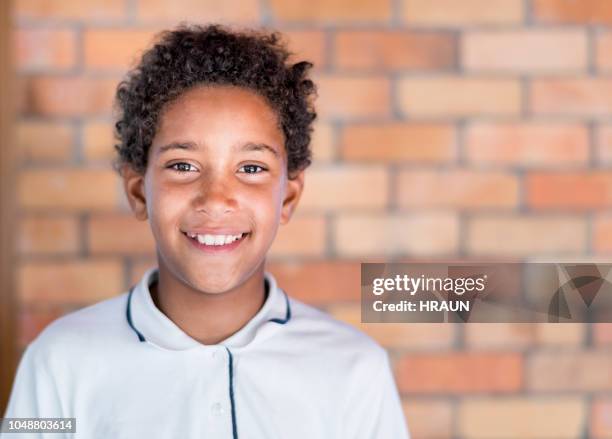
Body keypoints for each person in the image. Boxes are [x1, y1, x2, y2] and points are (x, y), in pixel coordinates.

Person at [2, 23, 410, 439]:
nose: (216, 199)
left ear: (287, 199)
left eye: (251, 169)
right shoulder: (56, 362)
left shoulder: (355, 369)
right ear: (138, 191)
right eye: (183, 166)